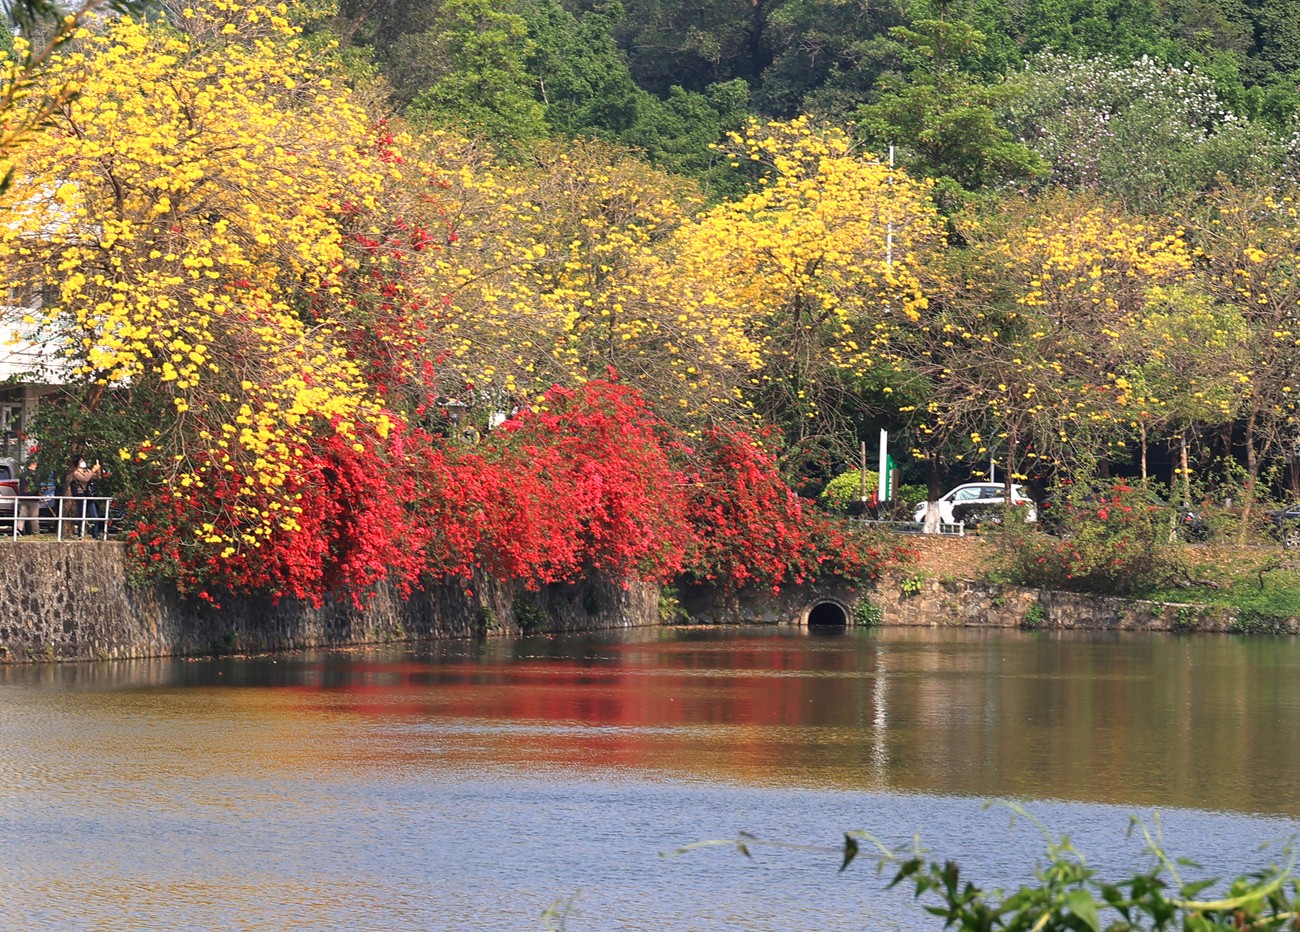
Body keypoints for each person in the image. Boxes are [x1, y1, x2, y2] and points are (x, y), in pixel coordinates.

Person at [68, 457, 102, 537]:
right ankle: (81, 533)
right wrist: (93, 470)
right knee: (81, 514)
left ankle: (95, 534)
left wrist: (98, 470)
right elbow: (85, 479)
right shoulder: (76, 473)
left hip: (89, 494)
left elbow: (96, 477)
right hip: (81, 494)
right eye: (81, 461)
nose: (83, 462)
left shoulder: (87, 470)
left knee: (94, 514)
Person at [17, 460, 41, 535]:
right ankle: (36, 532)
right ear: (33, 465)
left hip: (23, 497)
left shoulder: (22, 475)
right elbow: (37, 487)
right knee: (34, 516)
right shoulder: (35, 475)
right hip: (32, 498)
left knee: (22, 515)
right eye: (36, 465)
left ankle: (19, 529)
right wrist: (39, 493)